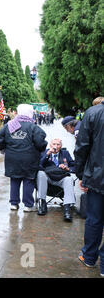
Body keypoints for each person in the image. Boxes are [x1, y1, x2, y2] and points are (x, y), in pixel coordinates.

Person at [0, 104, 47, 212]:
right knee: (28, 180)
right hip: (29, 159)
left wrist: (3, 149)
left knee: (14, 179)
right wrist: (42, 147)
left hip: (12, 158)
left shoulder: (10, 125)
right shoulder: (33, 127)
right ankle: (28, 205)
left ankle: (14, 204)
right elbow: (40, 142)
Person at [74, 100, 103, 277]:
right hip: (98, 176)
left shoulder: (93, 113)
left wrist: (81, 174)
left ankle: (90, 257)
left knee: (94, 219)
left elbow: (82, 146)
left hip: (98, 177)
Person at [37, 138, 76, 221]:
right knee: (40, 173)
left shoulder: (65, 153)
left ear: (61, 146)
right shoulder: (44, 152)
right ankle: (42, 204)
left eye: (58, 144)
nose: (56, 146)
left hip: (61, 177)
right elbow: (39, 165)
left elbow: (74, 166)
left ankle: (67, 209)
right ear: (50, 145)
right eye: (54, 144)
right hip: (48, 177)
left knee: (69, 179)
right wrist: (47, 155)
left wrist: (67, 168)